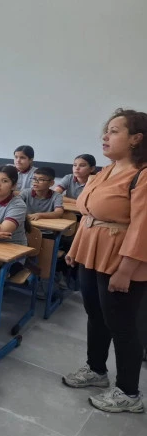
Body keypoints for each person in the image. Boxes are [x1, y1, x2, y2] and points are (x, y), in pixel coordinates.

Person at [62, 108, 147, 413]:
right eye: (106, 130)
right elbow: (89, 216)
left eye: (114, 131)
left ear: (136, 138)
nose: (105, 136)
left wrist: (126, 270)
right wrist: (75, 249)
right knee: (96, 315)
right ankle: (96, 370)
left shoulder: (142, 174)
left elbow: (142, 227)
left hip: (121, 260)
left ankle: (128, 393)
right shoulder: (107, 170)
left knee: (123, 325)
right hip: (92, 253)